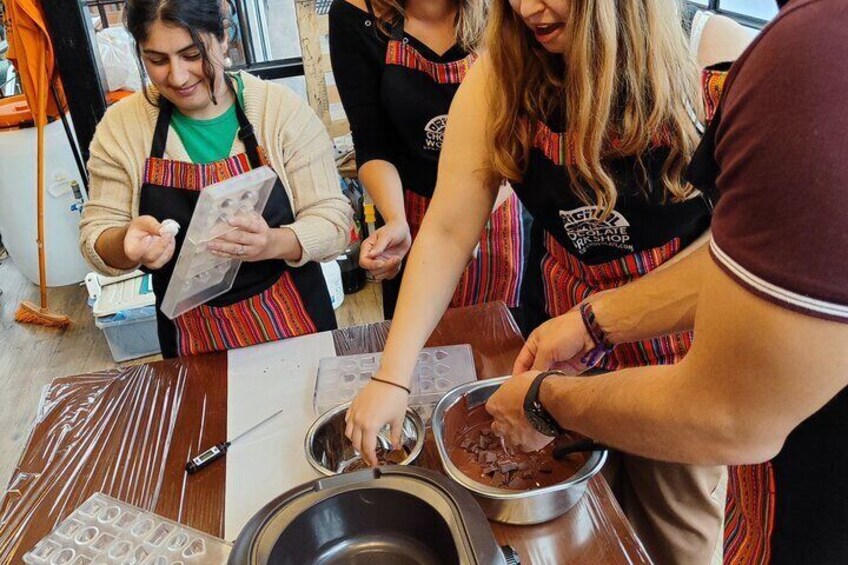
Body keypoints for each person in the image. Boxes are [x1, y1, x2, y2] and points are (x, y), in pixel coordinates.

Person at [343, 0, 751, 562]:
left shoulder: (713, 54)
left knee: (673, 530)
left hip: (684, 334)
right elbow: (446, 230)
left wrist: (615, 314)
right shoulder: (501, 75)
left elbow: (751, 241)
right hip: (565, 328)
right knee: (575, 526)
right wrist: (393, 375)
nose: (528, 8)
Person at [486, 0, 848, 563]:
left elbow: (727, 417)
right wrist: (593, 322)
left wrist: (543, 401)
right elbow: (768, 259)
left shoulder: (806, 53)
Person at [79, 0, 352, 358]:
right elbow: (96, 234)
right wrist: (124, 245)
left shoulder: (278, 111)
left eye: (192, 54)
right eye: (157, 60)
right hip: (191, 335)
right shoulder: (123, 128)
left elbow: (334, 221)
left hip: (293, 317)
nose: (177, 77)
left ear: (223, 38)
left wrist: (273, 243)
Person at [329, 0, 525, 320]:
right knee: (422, 348)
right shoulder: (354, 15)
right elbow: (372, 142)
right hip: (410, 212)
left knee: (502, 343)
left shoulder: (505, 9)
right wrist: (395, 221)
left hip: (499, 206)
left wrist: (468, 220)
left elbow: (523, 136)